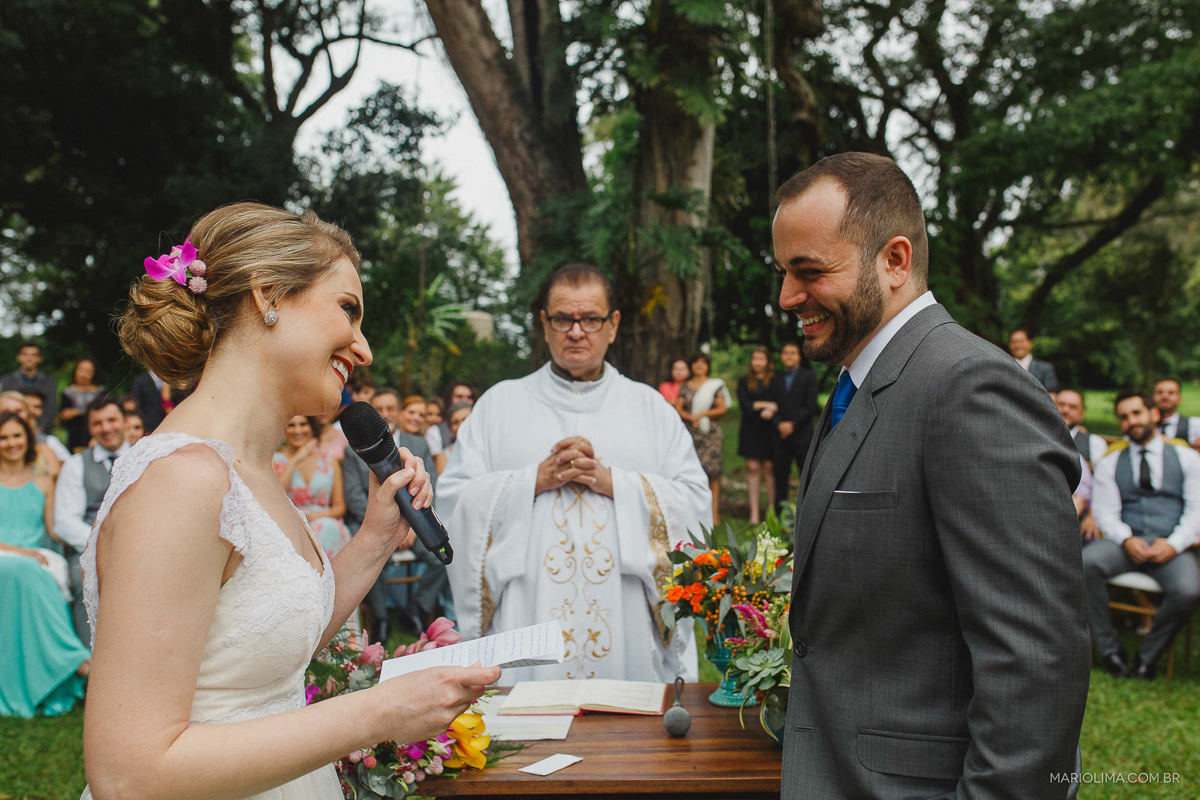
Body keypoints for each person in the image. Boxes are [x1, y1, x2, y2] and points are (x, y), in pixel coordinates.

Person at [79, 202, 498, 800]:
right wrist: (377, 713)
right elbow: (130, 776)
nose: (365, 348)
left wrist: (377, 536)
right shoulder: (182, 482)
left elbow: (266, 644)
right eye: (348, 311)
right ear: (268, 293)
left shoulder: (251, 473)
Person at [772, 152, 1088, 798]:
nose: (786, 298)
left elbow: (1035, 663)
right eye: (783, 273)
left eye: (809, 271)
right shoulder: (853, 386)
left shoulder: (969, 388)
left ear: (895, 261)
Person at [438, 263, 710, 684]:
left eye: (590, 319)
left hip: (628, 628)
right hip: (525, 620)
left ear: (613, 324)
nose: (576, 331)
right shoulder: (500, 406)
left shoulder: (651, 409)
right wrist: (532, 481)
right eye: (563, 319)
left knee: (628, 744)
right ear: (545, 325)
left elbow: (695, 503)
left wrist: (614, 484)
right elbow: (454, 502)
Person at [1084, 390, 1200, 680]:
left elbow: (1196, 510)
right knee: (1085, 564)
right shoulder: (1111, 462)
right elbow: (1105, 511)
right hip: (1126, 542)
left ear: (1154, 415)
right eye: (1124, 417)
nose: (1131, 421)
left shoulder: (1188, 458)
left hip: (1171, 545)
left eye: (1136, 413)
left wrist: (1173, 545)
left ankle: (1148, 656)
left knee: (1188, 591)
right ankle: (1111, 651)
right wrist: (1126, 539)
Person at [0, 411, 91, 717]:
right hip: (11, 556)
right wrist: (22, 553)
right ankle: (75, 658)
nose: (11, 443)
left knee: (44, 573)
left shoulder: (42, 480)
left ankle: (60, 666)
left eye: (16, 435)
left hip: (32, 557)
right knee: (25, 569)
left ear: (27, 438)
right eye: (4, 437)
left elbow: (54, 529)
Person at [53, 395, 130, 644]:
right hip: (88, 549)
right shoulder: (76, 465)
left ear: (124, 421)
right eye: (98, 423)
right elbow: (64, 521)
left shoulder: (147, 459)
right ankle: (90, 662)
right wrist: (103, 545)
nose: (106, 428)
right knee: (81, 579)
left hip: (140, 545)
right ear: (90, 427)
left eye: (111, 420)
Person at [273, 415, 351, 558]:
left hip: (325, 523)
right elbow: (275, 496)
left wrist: (316, 516)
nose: (298, 430)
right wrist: (294, 461)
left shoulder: (329, 461)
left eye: (303, 424)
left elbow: (339, 508)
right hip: (290, 523)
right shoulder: (275, 460)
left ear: (311, 427)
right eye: (291, 425)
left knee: (325, 528)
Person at [675, 352, 729, 524]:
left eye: (703, 363)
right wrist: (690, 417)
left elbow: (721, 409)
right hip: (690, 433)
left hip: (710, 434)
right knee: (691, 472)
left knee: (713, 474)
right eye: (696, 362)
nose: (699, 366)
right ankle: (692, 512)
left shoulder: (714, 385)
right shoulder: (686, 386)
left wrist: (703, 414)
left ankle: (714, 515)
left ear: (707, 366)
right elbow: (678, 408)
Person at [769, 341, 817, 512]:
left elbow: (811, 406)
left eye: (793, 353)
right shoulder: (775, 379)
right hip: (780, 437)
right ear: (782, 356)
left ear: (798, 356)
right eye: (786, 353)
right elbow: (771, 405)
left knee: (806, 478)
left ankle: (807, 514)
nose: (789, 356)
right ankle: (779, 517)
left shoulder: (808, 377)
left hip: (802, 436)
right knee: (780, 479)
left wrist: (793, 425)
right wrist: (779, 424)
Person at [736, 346, 777, 523]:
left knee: (769, 468)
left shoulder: (775, 381)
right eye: (755, 359)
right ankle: (754, 513)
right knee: (752, 468)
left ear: (767, 361)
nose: (758, 363)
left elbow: (779, 403)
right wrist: (765, 405)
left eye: (761, 359)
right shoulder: (744, 381)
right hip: (751, 429)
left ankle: (771, 511)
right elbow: (745, 405)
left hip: (770, 429)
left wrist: (770, 408)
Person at [1, 391, 63, 481]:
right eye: (6, 412)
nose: (13, 416)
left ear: (28, 413)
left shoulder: (47, 448)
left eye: (18, 411)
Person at [0, 341, 58, 433]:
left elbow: (50, 409)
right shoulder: (6, 381)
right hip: (13, 429)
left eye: (34, 355)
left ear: (39, 358)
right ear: (19, 357)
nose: (29, 358)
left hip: (41, 431)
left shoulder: (49, 382)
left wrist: (40, 429)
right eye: (25, 354)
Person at [59, 357, 105, 453]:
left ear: (94, 373)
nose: (84, 374)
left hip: (96, 434)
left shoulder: (100, 392)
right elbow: (64, 414)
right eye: (81, 370)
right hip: (75, 435)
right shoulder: (68, 392)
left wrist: (77, 412)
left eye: (88, 371)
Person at [1056, 388, 1109, 467]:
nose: (1065, 410)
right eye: (1061, 404)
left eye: (1073, 407)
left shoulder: (1095, 443)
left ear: (1082, 414)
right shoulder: (1036, 436)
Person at [1152, 378, 1200, 448]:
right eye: (1160, 392)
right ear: (1153, 397)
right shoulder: (1141, 425)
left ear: (1179, 399)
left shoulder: (1195, 424)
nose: (1165, 396)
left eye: (1171, 393)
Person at [1008, 328, 1059, 393]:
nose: (1017, 345)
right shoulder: (1004, 366)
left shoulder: (1046, 368)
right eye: (1014, 342)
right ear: (1010, 345)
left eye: (1021, 341)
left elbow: (1052, 394)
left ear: (1030, 343)